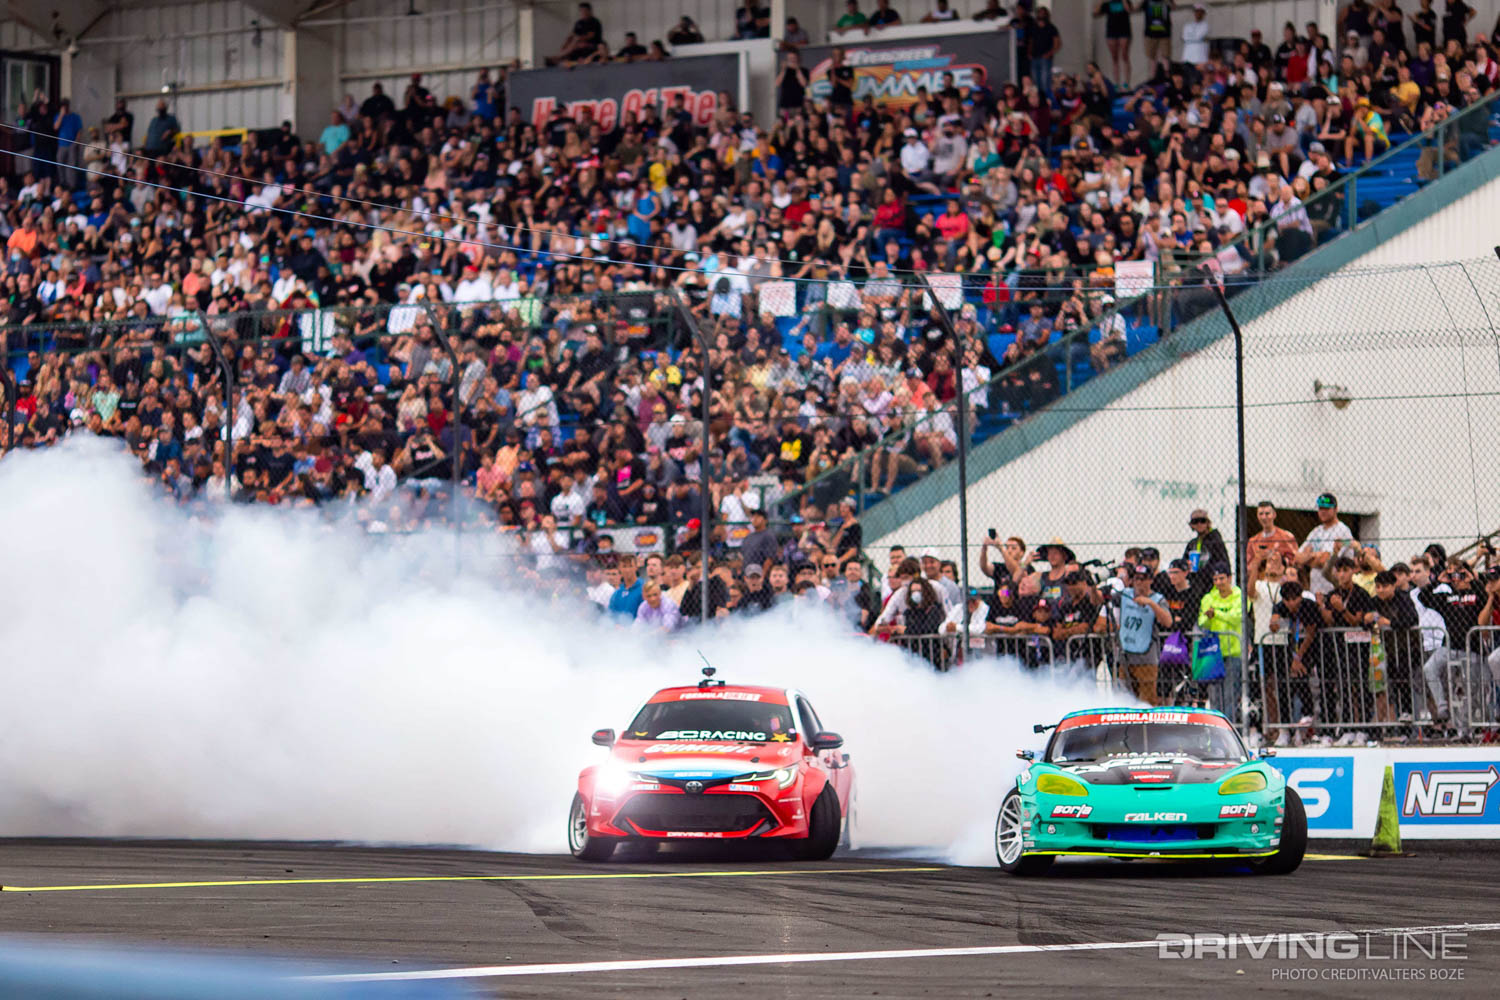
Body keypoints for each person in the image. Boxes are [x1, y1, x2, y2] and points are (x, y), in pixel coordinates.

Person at [1097, 564, 1171, 703]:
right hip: (1125, 657)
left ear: (1150, 580)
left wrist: (1150, 603)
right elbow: (1100, 600)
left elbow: (1168, 621)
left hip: (1146, 659)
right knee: (1125, 699)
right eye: (1136, 579)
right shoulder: (1125, 595)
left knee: (1146, 702)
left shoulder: (1158, 599)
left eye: (1143, 579)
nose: (1139, 582)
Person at [1197, 562, 1244, 722]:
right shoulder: (1208, 597)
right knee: (1215, 695)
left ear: (1229, 578)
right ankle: (1215, 726)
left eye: (1222, 578)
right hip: (1213, 653)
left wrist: (1215, 613)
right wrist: (1210, 617)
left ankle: (1228, 727)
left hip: (1234, 651)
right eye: (1215, 579)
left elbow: (1237, 617)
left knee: (1230, 694)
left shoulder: (1239, 595)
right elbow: (1202, 621)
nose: (1218, 583)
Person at [1297, 492, 1354, 596]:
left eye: (1327, 509)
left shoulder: (1342, 530)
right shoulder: (1316, 531)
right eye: (1320, 508)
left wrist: (1308, 557)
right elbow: (1298, 558)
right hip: (1315, 590)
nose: (1323, 512)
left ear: (1336, 509)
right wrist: (1315, 555)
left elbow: (1325, 560)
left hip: (1334, 589)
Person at [1183, 508, 1230, 587]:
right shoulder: (1192, 544)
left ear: (1208, 523)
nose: (1199, 524)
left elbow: (1222, 561)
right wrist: (1187, 564)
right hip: (1196, 583)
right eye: (1195, 521)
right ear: (1191, 525)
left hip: (1212, 582)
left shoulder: (1215, 539)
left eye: (1202, 521)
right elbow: (1184, 561)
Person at [1247, 500, 1299, 568]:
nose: (1264, 517)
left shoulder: (1286, 537)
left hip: (1281, 577)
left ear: (1274, 514)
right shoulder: (1253, 542)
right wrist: (1258, 559)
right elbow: (1247, 568)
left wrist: (1277, 558)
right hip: (1259, 577)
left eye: (1267, 513)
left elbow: (1296, 562)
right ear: (1257, 515)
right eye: (1261, 514)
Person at [1095, 0, 1134, 84]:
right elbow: (1096, 13)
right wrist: (1101, 1)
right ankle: (1116, 83)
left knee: (1125, 56)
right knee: (1114, 58)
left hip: (1124, 31)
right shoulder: (1107, 3)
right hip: (1112, 31)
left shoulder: (1126, 1)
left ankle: (1126, 82)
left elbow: (1130, 10)